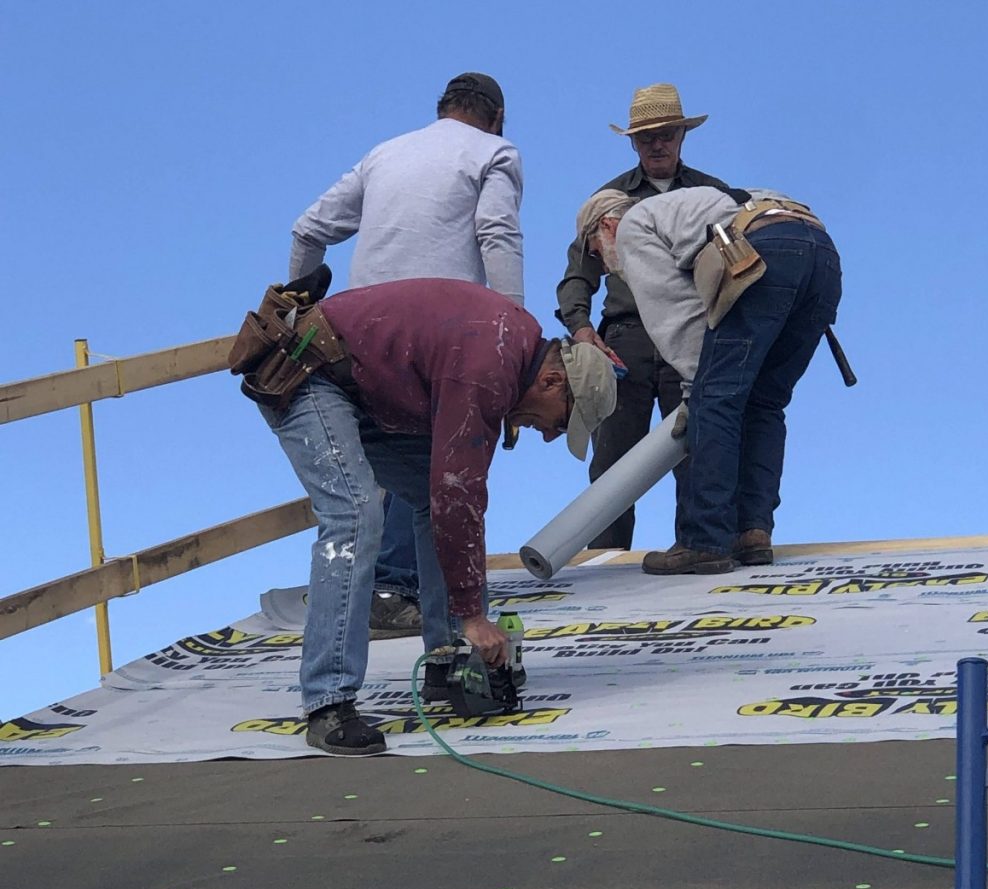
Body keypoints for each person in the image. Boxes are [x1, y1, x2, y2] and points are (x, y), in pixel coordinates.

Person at [257, 276, 616, 756]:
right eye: (561, 420)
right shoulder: (490, 367)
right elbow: (458, 493)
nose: (550, 435)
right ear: (552, 381)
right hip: (308, 371)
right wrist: (474, 615)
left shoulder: (512, 351)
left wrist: (470, 622)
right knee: (356, 513)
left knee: (431, 499)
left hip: (365, 387)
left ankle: (449, 666)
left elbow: (457, 497)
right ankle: (328, 702)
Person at [289, 72, 524, 640]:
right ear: (495, 118)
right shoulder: (495, 152)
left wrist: (295, 308)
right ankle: (431, 617)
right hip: (445, 337)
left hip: (352, 336)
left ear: (442, 109)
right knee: (442, 475)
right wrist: (514, 333)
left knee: (378, 476)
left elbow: (308, 229)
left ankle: (385, 591)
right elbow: (496, 232)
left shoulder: (385, 153)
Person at [577, 184, 842, 575]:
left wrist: (695, 394)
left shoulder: (634, 225)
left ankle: (705, 541)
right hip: (820, 253)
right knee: (764, 402)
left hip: (766, 251)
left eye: (598, 254)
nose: (604, 267)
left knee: (715, 397)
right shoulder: (686, 210)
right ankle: (751, 532)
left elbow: (679, 321)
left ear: (606, 227)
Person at [555, 83, 732, 551]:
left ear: (682, 136)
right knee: (613, 461)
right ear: (633, 141)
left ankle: (700, 552)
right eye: (647, 136)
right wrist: (582, 329)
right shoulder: (607, 198)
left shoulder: (713, 194)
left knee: (698, 451)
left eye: (666, 133)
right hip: (626, 341)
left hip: (691, 339)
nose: (657, 144)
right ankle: (604, 566)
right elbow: (576, 276)